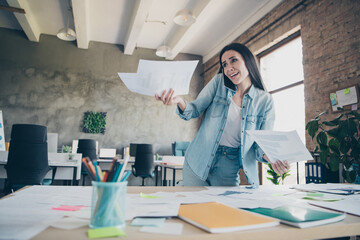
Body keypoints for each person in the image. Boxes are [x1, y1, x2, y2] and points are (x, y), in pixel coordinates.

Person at [155, 43, 290, 187]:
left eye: (233, 60)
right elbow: (194, 109)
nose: (228, 68)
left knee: (222, 208)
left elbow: (261, 144)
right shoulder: (219, 82)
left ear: (248, 61)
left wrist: (270, 156)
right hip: (198, 158)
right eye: (224, 64)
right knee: (193, 208)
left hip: (229, 165)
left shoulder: (265, 101)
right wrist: (180, 101)